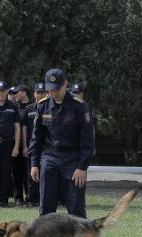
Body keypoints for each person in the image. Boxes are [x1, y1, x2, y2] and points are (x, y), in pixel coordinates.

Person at [29, 68, 95, 218]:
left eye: (57, 89)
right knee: (46, 207)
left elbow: (88, 141)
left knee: (76, 207)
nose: (54, 93)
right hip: (50, 158)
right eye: (50, 90)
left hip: (73, 160)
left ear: (65, 84)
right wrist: (34, 164)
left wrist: (82, 167)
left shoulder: (80, 106)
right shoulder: (42, 106)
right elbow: (36, 138)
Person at [22, 83, 46, 207]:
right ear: (34, 94)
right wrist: (25, 146)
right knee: (30, 173)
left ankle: (44, 199)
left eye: (42, 92)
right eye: (38, 92)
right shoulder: (29, 109)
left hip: (46, 146)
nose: (40, 95)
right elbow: (24, 128)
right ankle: (31, 199)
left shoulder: (49, 109)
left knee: (45, 173)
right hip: (32, 146)